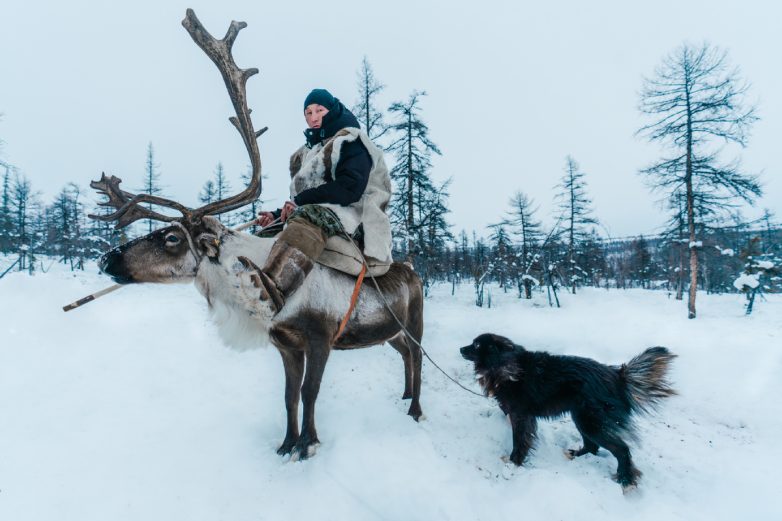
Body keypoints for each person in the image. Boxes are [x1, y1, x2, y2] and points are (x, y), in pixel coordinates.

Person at [251, 88, 392, 313]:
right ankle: (246, 284)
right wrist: (277, 216)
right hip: (321, 211)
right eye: (308, 112)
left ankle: (274, 291)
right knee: (267, 234)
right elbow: (303, 197)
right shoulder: (311, 151)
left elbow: (350, 188)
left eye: (319, 110)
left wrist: (302, 203)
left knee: (306, 216)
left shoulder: (351, 141)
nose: (313, 117)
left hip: (357, 214)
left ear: (333, 109)